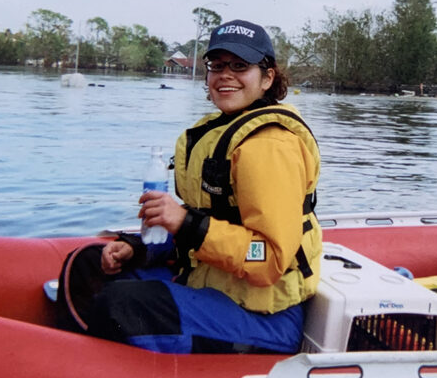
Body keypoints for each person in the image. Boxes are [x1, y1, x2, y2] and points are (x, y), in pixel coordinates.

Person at [57, 19, 322, 354]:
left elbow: (266, 256)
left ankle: (85, 372)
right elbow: (216, 225)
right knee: (86, 265)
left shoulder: (271, 147)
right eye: (217, 65)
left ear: (267, 77)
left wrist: (185, 222)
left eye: (240, 66)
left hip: (262, 317)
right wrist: (141, 248)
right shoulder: (222, 131)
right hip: (212, 285)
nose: (225, 75)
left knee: (122, 304)